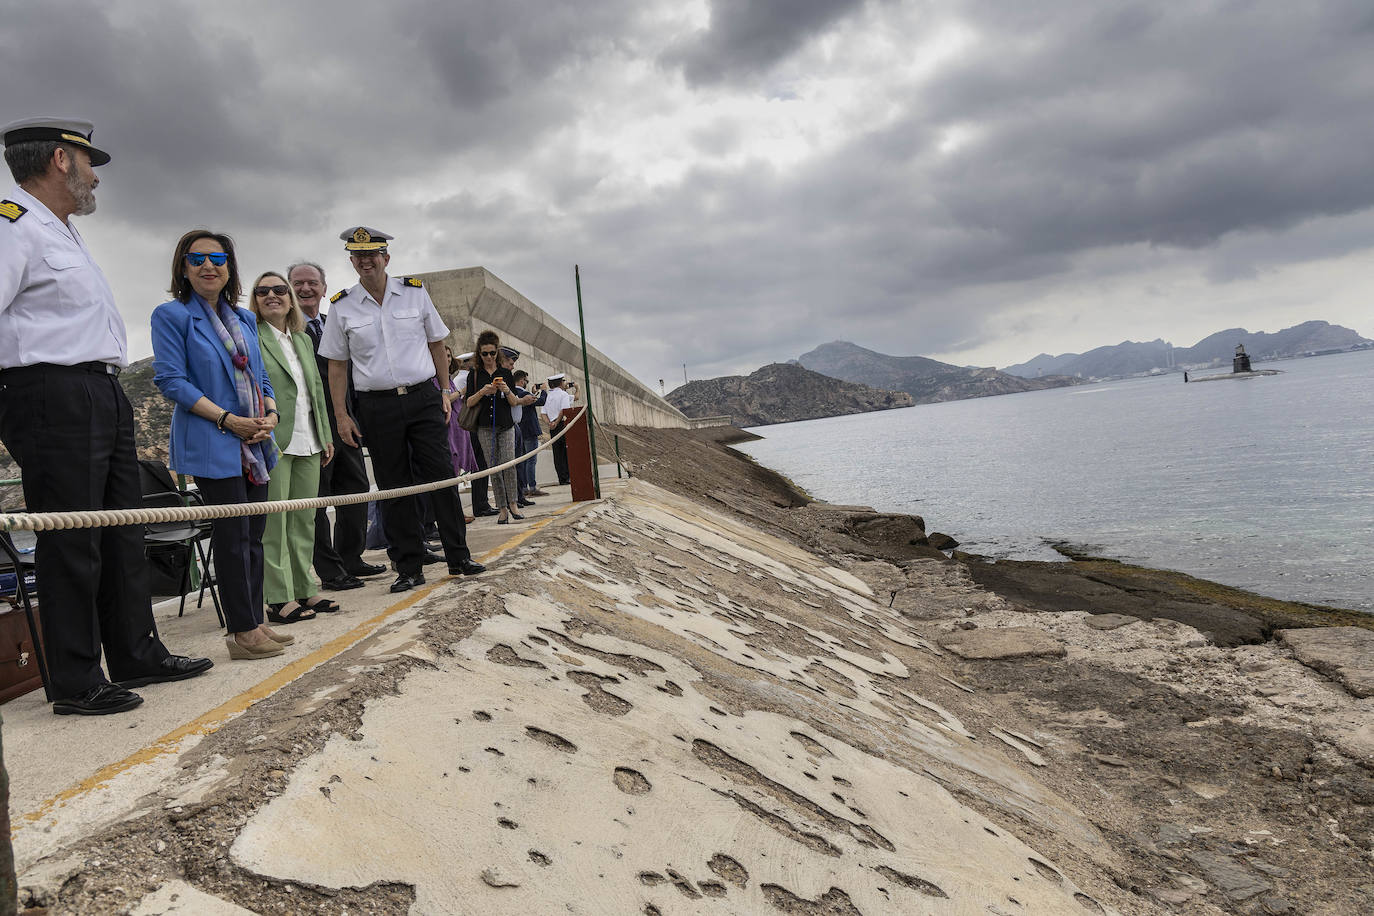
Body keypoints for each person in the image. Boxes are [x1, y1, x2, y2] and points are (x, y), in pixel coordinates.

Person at [0, 117, 212, 715]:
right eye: (89, 161)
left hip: (100, 389)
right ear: (61, 161)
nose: (96, 174)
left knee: (124, 530)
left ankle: (135, 651)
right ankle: (74, 679)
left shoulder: (60, 232)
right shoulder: (11, 223)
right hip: (50, 393)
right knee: (72, 538)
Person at [318, 226, 485, 592]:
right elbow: (337, 366)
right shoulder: (342, 306)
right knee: (394, 487)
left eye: (372, 254)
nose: (366, 261)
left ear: (386, 259)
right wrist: (342, 416)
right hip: (376, 406)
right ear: (352, 261)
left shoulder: (414, 293)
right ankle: (408, 566)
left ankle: (458, 556)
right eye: (359, 256)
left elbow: (437, 344)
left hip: (423, 398)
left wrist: (444, 390)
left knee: (442, 477)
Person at [152, 231, 288, 660]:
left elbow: (261, 376)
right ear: (184, 268)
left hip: (256, 441)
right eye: (197, 259)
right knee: (231, 538)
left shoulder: (245, 319)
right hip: (213, 441)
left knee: (254, 537)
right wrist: (229, 420)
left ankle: (256, 620)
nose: (208, 266)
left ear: (229, 266)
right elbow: (172, 381)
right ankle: (241, 632)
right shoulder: (171, 315)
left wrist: (270, 415)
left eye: (217, 257)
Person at [249, 271, 339, 623]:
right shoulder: (253, 336)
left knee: (304, 520)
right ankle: (278, 596)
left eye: (279, 290)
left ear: (290, 298)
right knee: (276, 521)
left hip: (309, 439)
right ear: (255, 299)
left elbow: (316, 389)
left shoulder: (302, 339)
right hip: (275, 441)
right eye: (263, 290)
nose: (272, 295)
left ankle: (305, 587)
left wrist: (325, 433)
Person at [288, 261, 383, 590]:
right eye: (298, 283)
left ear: (324, 288)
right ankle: (329, 571)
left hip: (346, 421)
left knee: (355, 491)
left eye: (312, 283)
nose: (305, 289)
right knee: (316, 501)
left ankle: (351, 558)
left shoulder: (335, 324)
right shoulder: (286, 331)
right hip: (311, 426)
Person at [465, 331, 523, 524]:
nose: (489, 357)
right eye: (484, 353)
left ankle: (513, 503)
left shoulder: (506, 373)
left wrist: (506, 390)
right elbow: (469, 403)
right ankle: (502, 508)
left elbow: (515, 402)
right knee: (494, 468)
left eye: (492, 353)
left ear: (497, 352)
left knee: (509, 463)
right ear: (479, 354)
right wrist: (482, 391)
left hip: (505, 425)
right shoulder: (474, 374)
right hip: (484, 427)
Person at [510, 368, 546, 503]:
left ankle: (524, 487)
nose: (527, 383)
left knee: (523, 461)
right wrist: (543, 390)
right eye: (526, 380)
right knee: (531, 460)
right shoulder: (523, 393)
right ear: (521, 381)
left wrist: (533, 391)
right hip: (530, 431)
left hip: (521, 430)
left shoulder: (514, 392)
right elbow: (540, 401)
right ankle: (532, 487)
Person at [542, 373, 575, 486]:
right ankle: (567, 477)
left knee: (557, 454)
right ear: (561, 383)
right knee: (566, 452)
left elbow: (543, 413)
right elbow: (563, 410)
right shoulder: (563, 395)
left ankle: (562, 478)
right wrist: (556, 422)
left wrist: (550, 423)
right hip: (561, 424)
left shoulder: (548, 396)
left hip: (552, 427)